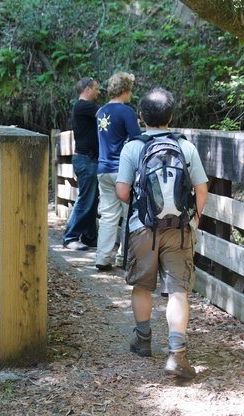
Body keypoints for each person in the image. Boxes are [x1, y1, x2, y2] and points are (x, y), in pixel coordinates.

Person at [115, 88, 208, 379]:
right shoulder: (185, 146)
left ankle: (143, 341)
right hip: (179, 229)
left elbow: (122, 191)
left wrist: (144, 206)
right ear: (171, 116)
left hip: (142, 228)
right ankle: (176, 356)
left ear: (141, 117)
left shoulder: (133, 147)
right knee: (178, 290)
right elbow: (201, 189)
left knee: (142, 285)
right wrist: (195, 219)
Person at [95, 71, 141, 271]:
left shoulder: (101, 111)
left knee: (108, 215)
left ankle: (102, 258)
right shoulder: (126, 112)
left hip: (103, 169)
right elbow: (137, 139)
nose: (131, 93)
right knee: (128, 213)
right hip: (122, 170)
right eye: (130, 89)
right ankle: (124, 257)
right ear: (124, 90)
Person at [63, 77, 101, 251]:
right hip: (86, 159)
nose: (99, 92)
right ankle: (70, 237)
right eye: (96, 88)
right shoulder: (84, 106)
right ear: (87, 89)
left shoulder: (84, 107)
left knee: (91, 200)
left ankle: (89, 237)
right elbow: (106, 115)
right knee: (85, 200)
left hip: (88, 159)